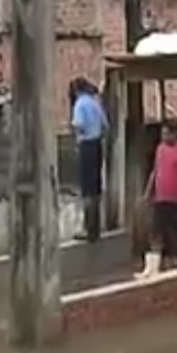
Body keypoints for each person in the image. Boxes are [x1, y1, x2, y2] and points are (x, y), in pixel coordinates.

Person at [139, 121, 177, 278]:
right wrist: (148, 192)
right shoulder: (160, 148)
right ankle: (152, 268)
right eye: (162, 134)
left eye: (167, 134)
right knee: (155, 232)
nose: (164, 137)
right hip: (160, 198)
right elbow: (155, 171)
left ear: (175, 134)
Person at [70, 77, 109, 242]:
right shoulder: (95, 103)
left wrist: (78, 137)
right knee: (95, 188)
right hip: (97, 144)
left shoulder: (80, 104)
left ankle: (88, 228)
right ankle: (96, 228)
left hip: (86, 144)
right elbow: (105, 125)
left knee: (86, 190)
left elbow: (78, 124)